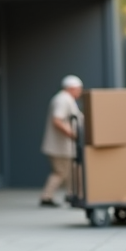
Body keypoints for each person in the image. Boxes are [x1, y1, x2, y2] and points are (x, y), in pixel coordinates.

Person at [39, 75, 84, 207]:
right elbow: (57, 120)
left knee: (69, 172)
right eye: (79, 89)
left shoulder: (65, 99)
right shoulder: (63, 100)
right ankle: (47, 197)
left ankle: (71, 195)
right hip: (60, 146)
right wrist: (72, 134)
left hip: (63, 146)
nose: (80, 92)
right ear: (72, 88)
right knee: (60, 172)